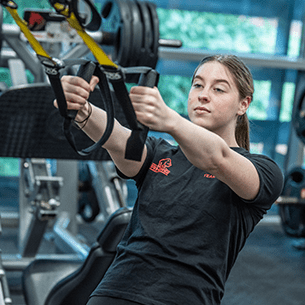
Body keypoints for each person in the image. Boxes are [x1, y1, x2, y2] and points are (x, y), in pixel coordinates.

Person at [56, 54, 284, 305]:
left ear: (243, 104)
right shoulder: (159, 153)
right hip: (114, 293)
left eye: (218, 89)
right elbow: (118, 138)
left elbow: (216, 157)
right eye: (197, 85)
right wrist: (80, 108)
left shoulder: (264, 171)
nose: (203, 95)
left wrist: (170, 120)